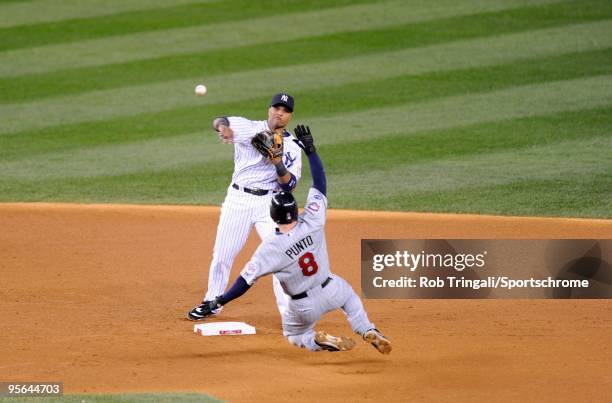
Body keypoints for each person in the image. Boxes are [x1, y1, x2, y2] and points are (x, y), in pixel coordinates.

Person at [191, 125, 391, 354]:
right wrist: (311, 151)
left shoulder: (270, 249)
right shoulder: (313, 221)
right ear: (296, 211)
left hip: (303, 306)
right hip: (331, 288)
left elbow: (244, 283)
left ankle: (315, 341)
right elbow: (320, 183)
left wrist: (219, 301)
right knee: (350, 298)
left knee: (295, 336)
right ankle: (366, 328)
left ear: (272, 216)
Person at [188, 93, 302, 320]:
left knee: (280, 256)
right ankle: (212, 302)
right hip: (238, 200)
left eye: (285, 110)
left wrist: (277, 163)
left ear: (290, 116)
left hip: (269, 204)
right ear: (269, 109)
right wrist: (225, 129)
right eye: (276, 108)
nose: (279, 113)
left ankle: (289, 314)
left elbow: (288, 185)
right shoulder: (250, 128)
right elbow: (220, 120)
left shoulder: (292, 146)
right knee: (222, 255)